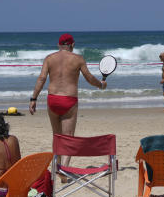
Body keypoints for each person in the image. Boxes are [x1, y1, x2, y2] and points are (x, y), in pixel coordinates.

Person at [28, 33, 107, 166]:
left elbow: (41, 78)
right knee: (68, 138)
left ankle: (57, 167)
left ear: (58, 45)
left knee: (57, 136)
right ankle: (63, 170)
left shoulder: (49, 58)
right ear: (73, 45)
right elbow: (89, 78)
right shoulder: (78, 59)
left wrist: (33, 98)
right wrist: (100, 85)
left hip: (52, 99)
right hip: (69, 100)